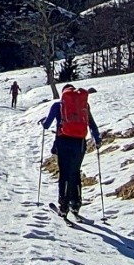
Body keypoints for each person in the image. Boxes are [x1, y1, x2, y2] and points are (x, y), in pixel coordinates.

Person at [40, 84, 100, 217]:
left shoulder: (58, 105)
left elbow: (47, 124)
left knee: (64, 174)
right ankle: (76, 203)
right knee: (75, 172)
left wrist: (43, 122)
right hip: (79, 143)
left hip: (63, 142)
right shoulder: (84, 106)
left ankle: (64, 206)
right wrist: (97, 140)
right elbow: (92, 125)